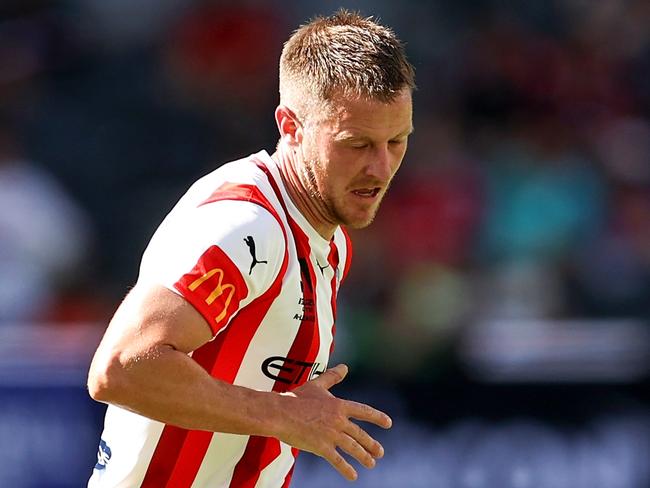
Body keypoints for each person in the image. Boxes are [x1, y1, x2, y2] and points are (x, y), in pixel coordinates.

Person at [87, 9, 415, 487]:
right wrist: (281, 415)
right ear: (291, 126)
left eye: (397, 140)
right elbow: (119, 370)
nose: (381, 168)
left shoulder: (329, 235)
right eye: (356, 144)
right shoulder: (247, 226)